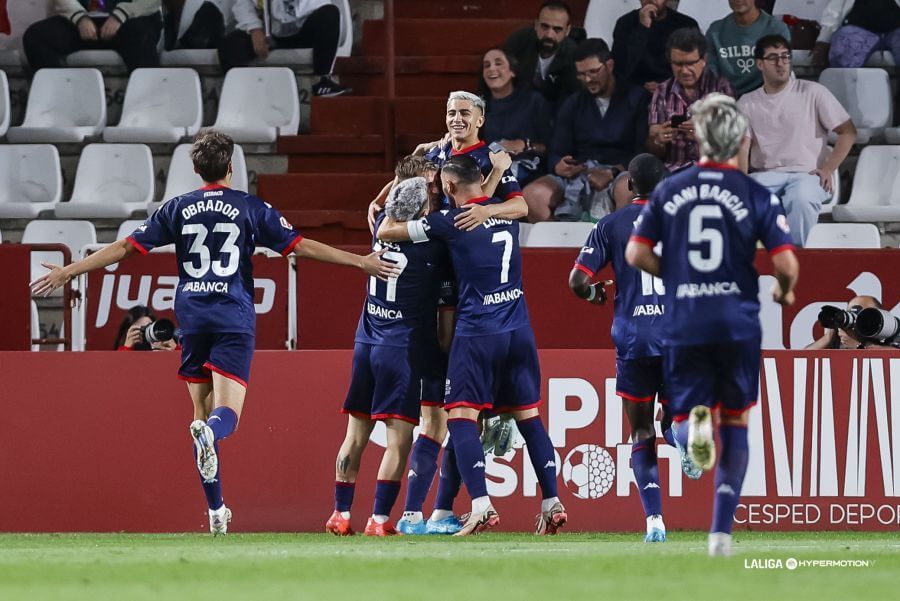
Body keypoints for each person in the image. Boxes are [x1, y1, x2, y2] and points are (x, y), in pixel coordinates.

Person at [30, 129, 396, 536]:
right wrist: (359, 263)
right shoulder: (251, 207)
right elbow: (301, 246)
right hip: (232, 317)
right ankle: (211, 441)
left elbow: (123, 248)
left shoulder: (177, 208)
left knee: (199, 414)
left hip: (192, 317)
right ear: (230, 167)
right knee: (225, 418)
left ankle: (217, 510)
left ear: (194, 169)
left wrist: (68, 271)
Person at [625, 93, 800, 557]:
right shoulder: (754, 192)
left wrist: (678, 273)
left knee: (684, 418)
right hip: (738, 321)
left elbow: (635, 254)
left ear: (699, 138)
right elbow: (786, 262)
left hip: (685, 322)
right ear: (741, 139)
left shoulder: (669, 190)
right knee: (736, 423)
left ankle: (687, 430)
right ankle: (720, 533)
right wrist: (784, 290)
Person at [376, 154, 567, 536]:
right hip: (518, 328)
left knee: (461, 419)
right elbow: (498, 201)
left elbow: (388, 233)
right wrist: (496, 174)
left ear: (447, 188)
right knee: (529, 418)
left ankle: (480, 504)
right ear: (481, 179)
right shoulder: (509, 213)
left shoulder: (449, 222)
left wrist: (391, 203)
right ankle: (552, 501)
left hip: (478, 332)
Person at [571, 153, 698, 544]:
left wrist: (593, 294)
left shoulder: (610, 225)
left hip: (633, 337)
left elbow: (577, 280)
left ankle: (654, 521)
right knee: (678, 411)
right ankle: (682, 430)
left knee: (641, 431)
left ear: (629, 187)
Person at [325, 175, 453, 537]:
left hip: (365, 343)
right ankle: (379, 520)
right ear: (423, 211)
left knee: (354, 436)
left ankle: (340, 512)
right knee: (399, 440)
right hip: (401, 349)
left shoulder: (379, 232)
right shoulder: (431, 249)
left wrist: (394, 185)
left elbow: (380, 205)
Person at [737, 34, 856, 247]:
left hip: (808, 174)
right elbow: (742, 146)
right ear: (760, 64)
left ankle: (798, 258)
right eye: (773, 58)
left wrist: (828, 168)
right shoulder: (747, 102)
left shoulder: (812, 91)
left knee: (800, 198)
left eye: (785, 57)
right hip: (766, 174)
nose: (781, 63)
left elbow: (848, 132)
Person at [524, 38, 650, 223]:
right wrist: (559, 164)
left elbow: (642, 150)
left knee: (628, 188)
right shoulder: (573, 103)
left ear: (609, 65)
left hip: (620, 171)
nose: (588, 79)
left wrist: (613, 172)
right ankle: (564, 242)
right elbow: (557, 150)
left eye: (593, 71)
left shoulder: (637, 97)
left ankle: (613, 245)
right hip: (581, 172)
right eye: (582, 74)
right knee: (531, 195)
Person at [368, 91, 528, 232]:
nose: (457, 119)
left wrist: (487, 211)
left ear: (480, 121)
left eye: (465, 113)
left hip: (462, 237)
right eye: (452, 113)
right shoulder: (439, 150)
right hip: (435, 231)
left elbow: (521, 207)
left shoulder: (490, 160)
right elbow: (411, 178)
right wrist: (379, 199)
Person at [647, 28, 734, 171]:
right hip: (673, 170)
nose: (684, 71)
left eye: (690, 63)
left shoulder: (721, 88)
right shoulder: (662, 92)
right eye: (678, 64)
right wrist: (658, 141)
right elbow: (652, 148)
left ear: (704, 59)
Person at [221, 0, 348, 97]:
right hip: (271, 32)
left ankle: (324, 80)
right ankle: (237, 94)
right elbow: (243, 4)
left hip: (305, 29)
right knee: (230, 44)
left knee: (330, 13)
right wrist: (255, 29)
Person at [479, 48, 554, 187]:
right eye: (487, 65)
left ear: (513, 71)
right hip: (489, 169)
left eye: (498, 63)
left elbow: (550, 146)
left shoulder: (533, 101)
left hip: (528, 171)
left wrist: (525, 145)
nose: (492, 69)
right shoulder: (479, 106)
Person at [23, 0, 163, 72]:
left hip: (130, 18)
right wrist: (80, 18)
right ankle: (59, 101)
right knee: (36, 37)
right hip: (81, 19)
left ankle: (146, 106)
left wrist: (122, 14)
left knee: (141, 36)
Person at [502, 1, 580, 108]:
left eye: (557, 29)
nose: (549, 35)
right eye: (544, 27)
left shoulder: (573, 56)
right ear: (536, 25)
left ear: (567, 31)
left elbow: (572, 102)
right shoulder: (518, 43)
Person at [705, 0, 791, 96]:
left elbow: (781, 72)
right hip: (726, 99)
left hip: (765, 98)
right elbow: (710, 73)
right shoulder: (715, 31)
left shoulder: (776, 29)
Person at [611, 0, 699, 92]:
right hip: (634, 92)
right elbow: (620, 70)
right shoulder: (625, 23)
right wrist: (643, 28)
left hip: (674, 90)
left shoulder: (686, 24)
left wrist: (667, 86)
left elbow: (693, 68)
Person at [810, 0, 900, 68]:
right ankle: (845, 92)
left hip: (896, 28)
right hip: (859, 27)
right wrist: (823, 40)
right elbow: (834, 9)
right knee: (844, 53)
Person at [805, 296, 898, 350]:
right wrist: (828, 338)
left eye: (862, 314)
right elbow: (801, 359)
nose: (856, 320)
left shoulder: (893, 330)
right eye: (851, 313)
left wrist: (858, 347)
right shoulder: (841, 335)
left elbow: (894, 358)